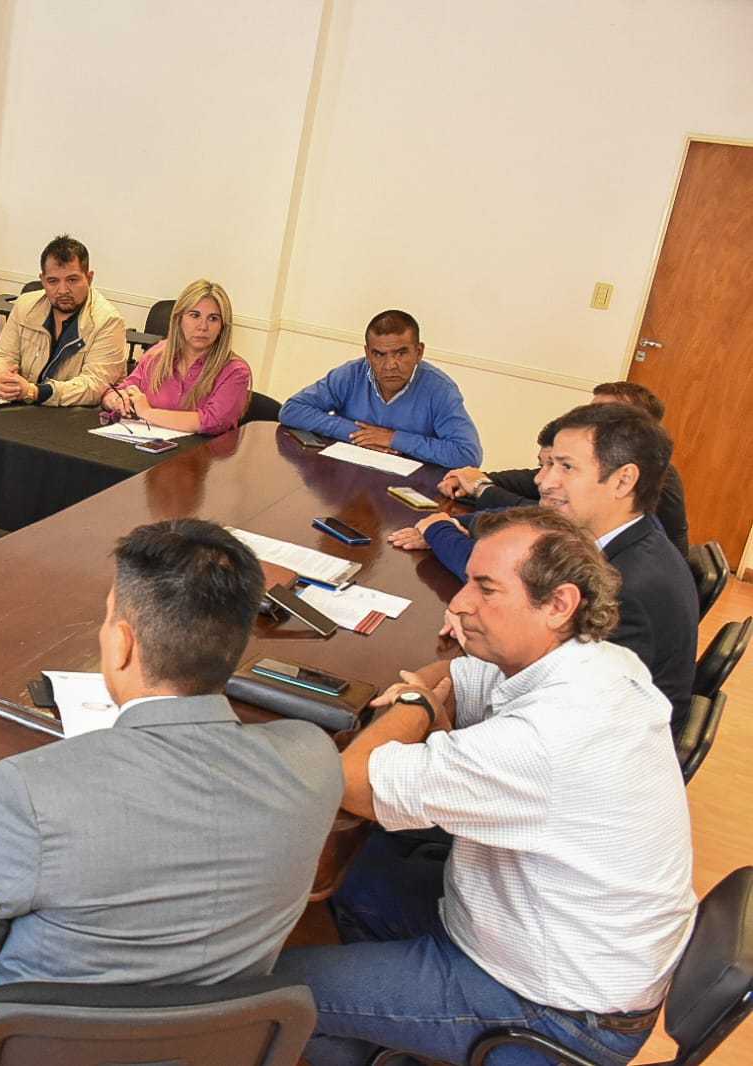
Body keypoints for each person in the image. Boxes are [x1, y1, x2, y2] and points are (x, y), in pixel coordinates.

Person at [0, 519, 343, 1066]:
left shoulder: (23, 792)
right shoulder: (314, 760)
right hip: (205, 1048)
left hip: (27, 1050)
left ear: (121, 643)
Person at [274, 507, 696, 1066]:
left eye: (486, 588)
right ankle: (385, 1030)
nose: (459, 603)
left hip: (551, 1008)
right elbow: (452, 676)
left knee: (274, 992)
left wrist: (413, 703)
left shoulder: (548, 737)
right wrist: (427, 698)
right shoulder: (596, 660)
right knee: (360, 876)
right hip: (543, 940)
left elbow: (353, 782)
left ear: (559, 604)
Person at [393, 403, 698, 727]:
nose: (543, 480)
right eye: (548, 464)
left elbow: (561, 710)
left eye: (565, 467)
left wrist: (485, 630)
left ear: (623, 481)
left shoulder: (628, 588)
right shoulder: (628, 535)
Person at [436, 381, 690, 557]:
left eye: (606, 416)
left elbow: (543, 518)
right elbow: (531, 481)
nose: (544, 481)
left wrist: (480, 490)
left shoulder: (655, 484)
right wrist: (481, 478)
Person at [280, 309, 483, 467]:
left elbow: (467, 455)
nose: (390, 365)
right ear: (368, 353)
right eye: (379, 354)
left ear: (419, 352)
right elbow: (292, 410)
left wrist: (393, 439)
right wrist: (355, 433)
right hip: (349, 479)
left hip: (409, 488)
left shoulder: (440, 389)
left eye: (401, 353)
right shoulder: (352, 373)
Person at [0, 235, 127, 407]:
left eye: (72, 280)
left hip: (75, 415)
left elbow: (93, 387)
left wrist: (34, 392)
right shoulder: (25, 306)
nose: (63, 290)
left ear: (89, 278)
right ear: (42, 280)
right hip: (24, 408)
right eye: (53, 281)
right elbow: (3, 356)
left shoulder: (108, 321)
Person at [102, 279, 253, 435]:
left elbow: (212, 421)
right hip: (146, 443)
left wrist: (147, 412)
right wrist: (116, 400)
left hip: (201, 450)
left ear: (222, 327)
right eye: (195, 315)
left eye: (213, 318)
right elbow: (120, 391)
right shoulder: (158, 354)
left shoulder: (235, 371)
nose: (203, 327)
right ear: (179, 318)